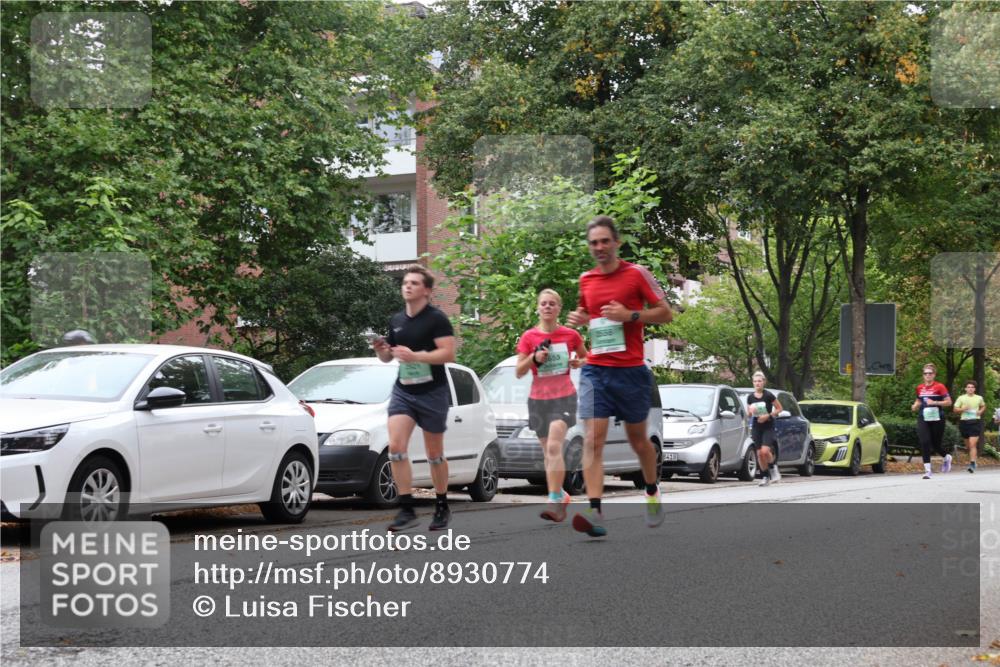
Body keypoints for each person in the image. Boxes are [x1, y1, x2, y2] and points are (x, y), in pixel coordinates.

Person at [566, 215, 673, 537]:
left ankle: (652, 490)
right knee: (593, 439)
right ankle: (595, 509)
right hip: (596, 370)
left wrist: (631, 315)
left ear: (616, 243)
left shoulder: (636, 274)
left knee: (638, 441)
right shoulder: (587, 280)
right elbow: (591, 315)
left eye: (604, 241)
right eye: (593, 243)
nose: (599, 247)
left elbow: (666, 313)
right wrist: (581, 318)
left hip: (631, 372)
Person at [372, 265, 456, 531]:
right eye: (405, 282)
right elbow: (389, 358)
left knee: (434, 454)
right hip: (404, 391)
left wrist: (416, 355)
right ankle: (406, 507)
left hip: (433, 392)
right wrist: (382, 350)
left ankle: (441, 504)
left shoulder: (437, 319)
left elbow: (448, 354)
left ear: (427, 291)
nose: (407, 286)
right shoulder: (396, 320)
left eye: (414, 283)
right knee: (396, 448)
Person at [515, 289, 588, 523]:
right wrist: (534, 358)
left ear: (558, 308)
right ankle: (561, 495)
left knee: (555, 447)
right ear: (538, 308)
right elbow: (519, 371)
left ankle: (554, 499)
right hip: (538, 399)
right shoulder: (528, 337)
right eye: (543, 303)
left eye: (552, 304)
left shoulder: (570, 335)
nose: (547, 307)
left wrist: (579, 361)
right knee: (548, 452)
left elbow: (589, 356)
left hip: (564, 396)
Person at [910, 363, 953, 479]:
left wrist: (935, 403)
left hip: (937, 418)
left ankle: (946, 457)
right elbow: (919, 400)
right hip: (923, 417)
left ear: (934, 375)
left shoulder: (940, 387)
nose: (928, 375)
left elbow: (949, 402)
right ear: (923, 375)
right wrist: (915, 406)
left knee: (936, 445)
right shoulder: (920, 387)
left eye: (930, 373)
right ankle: (927, 471)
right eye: (925, 373)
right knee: (924, 442)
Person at [746, 371, 783, 486]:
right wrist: (750, 412)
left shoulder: (768, 395)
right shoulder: (750, 397)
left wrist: (768, 415)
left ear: (764, 382)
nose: (757, 383)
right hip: (757, 427)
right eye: (755, 381)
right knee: (759, 454)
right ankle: (765, 477)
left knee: (765, 451)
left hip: (768, 426)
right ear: (753, 383)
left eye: (759, 381)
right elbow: (749, 414)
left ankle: (773, 469)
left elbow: (779, 409)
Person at [953, 380, 986, 473]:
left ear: (974, 389)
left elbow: (983, 406)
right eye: (968, 387)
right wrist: (962, 409)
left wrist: (980, 411)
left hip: (975, 422)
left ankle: (972, 463)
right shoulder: (961, 398)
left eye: (972, 387)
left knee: (972, 444)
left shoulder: (979, 398)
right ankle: (973, 460)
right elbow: (955, 409)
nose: (970, 389)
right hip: (964, 422)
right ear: (965, 389)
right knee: (968, 446)